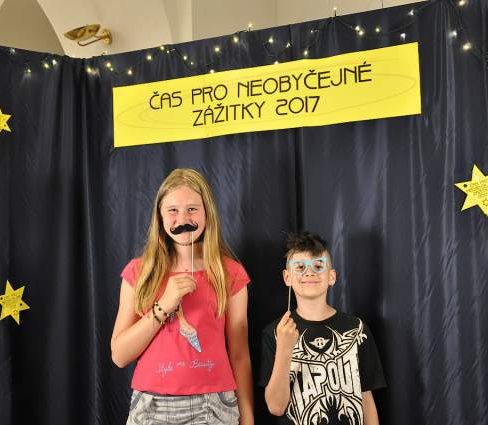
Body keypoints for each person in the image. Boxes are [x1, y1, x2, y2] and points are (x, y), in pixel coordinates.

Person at [111, 168, 253, 425]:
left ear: (207, 213)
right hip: (151, 407)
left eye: (192, 209)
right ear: (160, 216)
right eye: (173, 210)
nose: (183, 218)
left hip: (214, 406)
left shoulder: (230, 273)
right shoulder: (138, 272)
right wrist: (164, 305)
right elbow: (120, 355)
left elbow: (240, 355)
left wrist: (248, 418)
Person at [259, 231, 386, 425]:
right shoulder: (275, 332)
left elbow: (366, 399)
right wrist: (284, 348)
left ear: (331, 276)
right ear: (287, 277)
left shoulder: (357, 330)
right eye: (300, 267)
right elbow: (276, 407)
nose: (309, 273)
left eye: (318, 266)